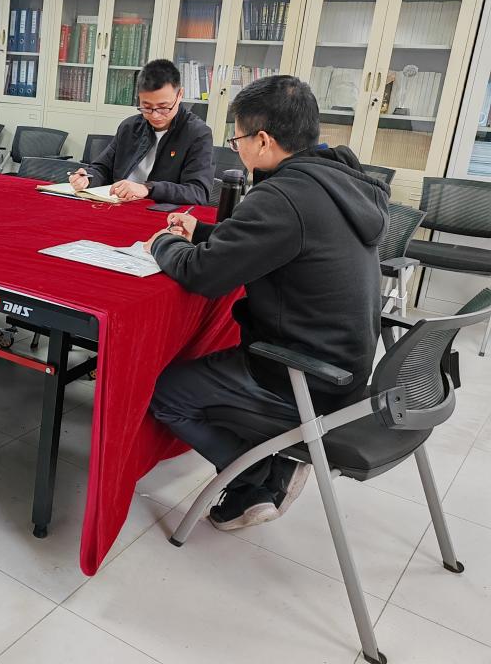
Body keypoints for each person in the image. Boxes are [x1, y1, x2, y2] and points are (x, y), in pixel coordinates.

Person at [145, 74, 389, 531]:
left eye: (237, 139)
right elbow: (279, 239)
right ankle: (270, 458)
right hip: (347, 366)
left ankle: (255, 475)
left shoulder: (282, 196)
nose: (236, 148)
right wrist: (202, 232)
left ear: (262, 140)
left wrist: (162, 243)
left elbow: (203, 275)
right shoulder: (336, 180)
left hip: (305, 376)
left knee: (165, 392)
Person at [68, 59, 212, 205]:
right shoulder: (129, 127)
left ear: (180, 94)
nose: (155, 115)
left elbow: (198, 192)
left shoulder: (197, 134)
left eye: (163, 107)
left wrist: (148, 189)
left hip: (160, 212)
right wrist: (88, 177)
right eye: (147, 107)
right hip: (117, 205)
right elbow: (103, 168)